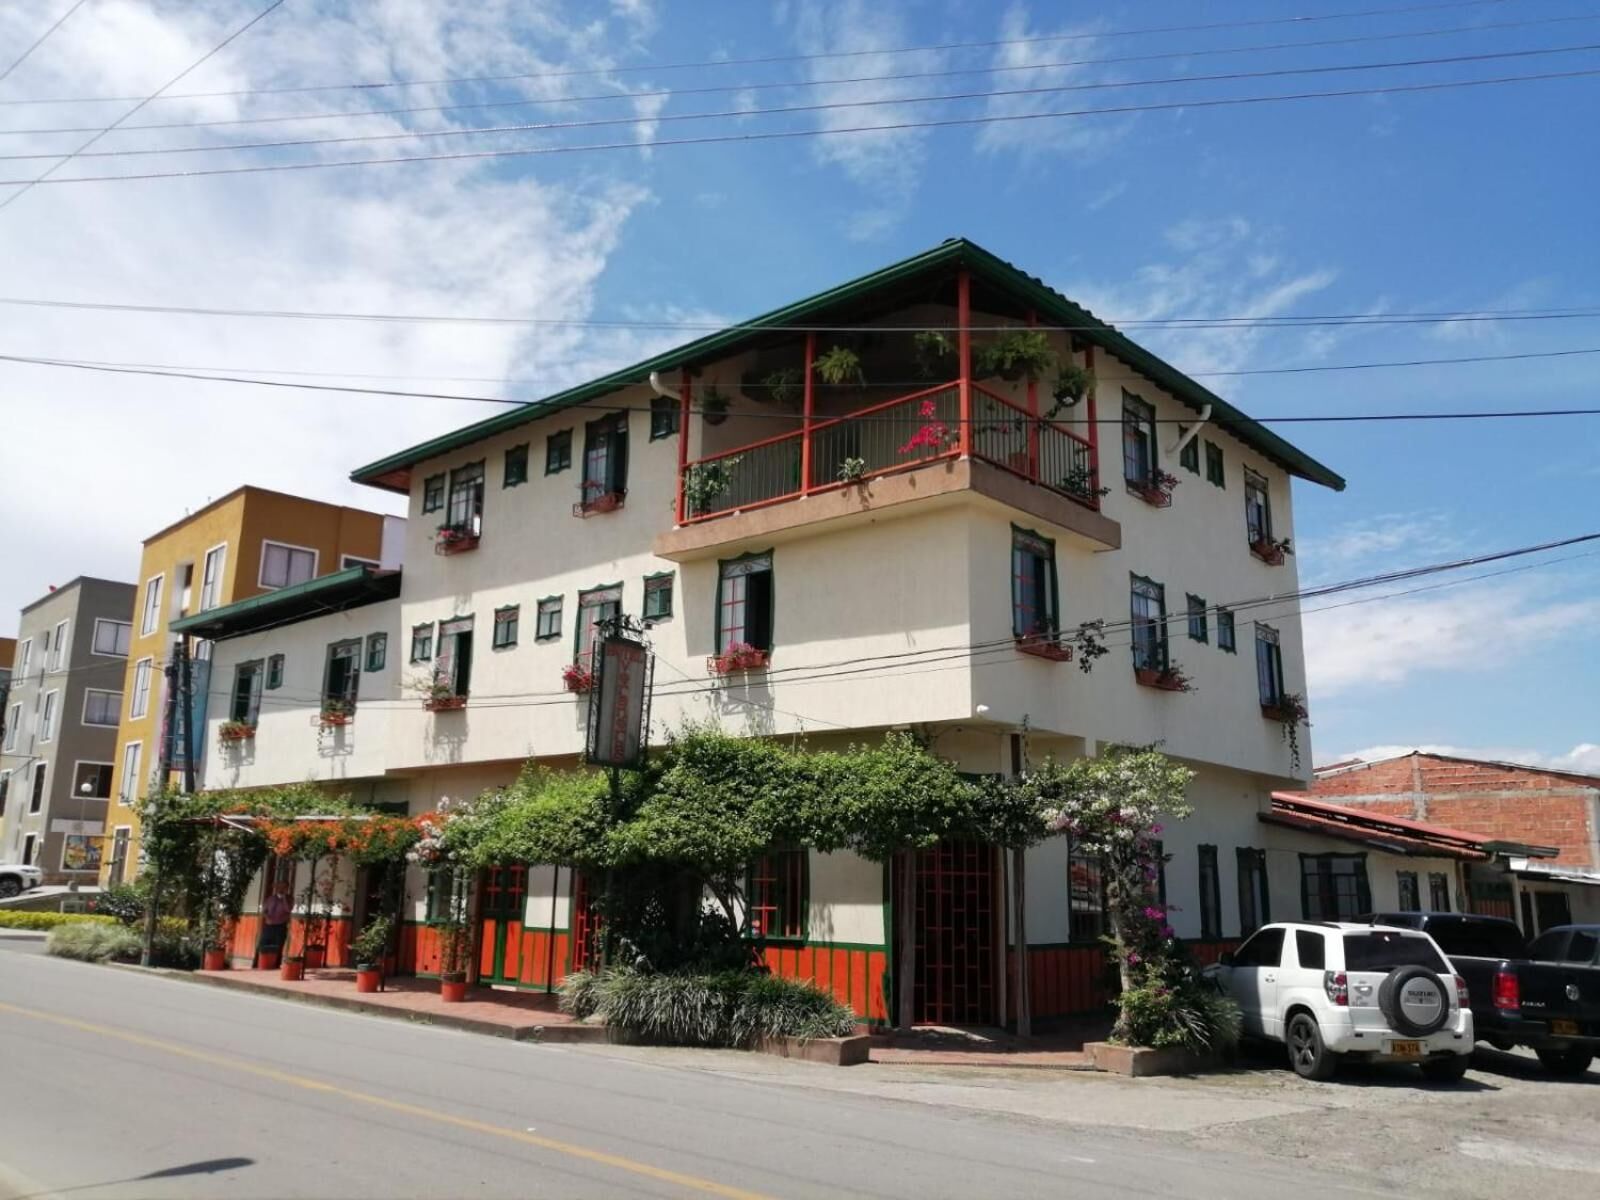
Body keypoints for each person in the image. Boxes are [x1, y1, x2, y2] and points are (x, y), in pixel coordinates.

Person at [260, 883, 291, 959]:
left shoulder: (289, 899)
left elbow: (288, 909)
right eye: (279, 887)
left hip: (280, 926)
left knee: (278, 946)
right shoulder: (270, 898)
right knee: (263, 944)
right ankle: (260, 962)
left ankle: (275, 964)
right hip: (269, 926)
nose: (281, 889)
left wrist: (284, 899)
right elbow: (264, 911)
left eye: (283, 888)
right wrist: (267, 917)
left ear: (286, 889)